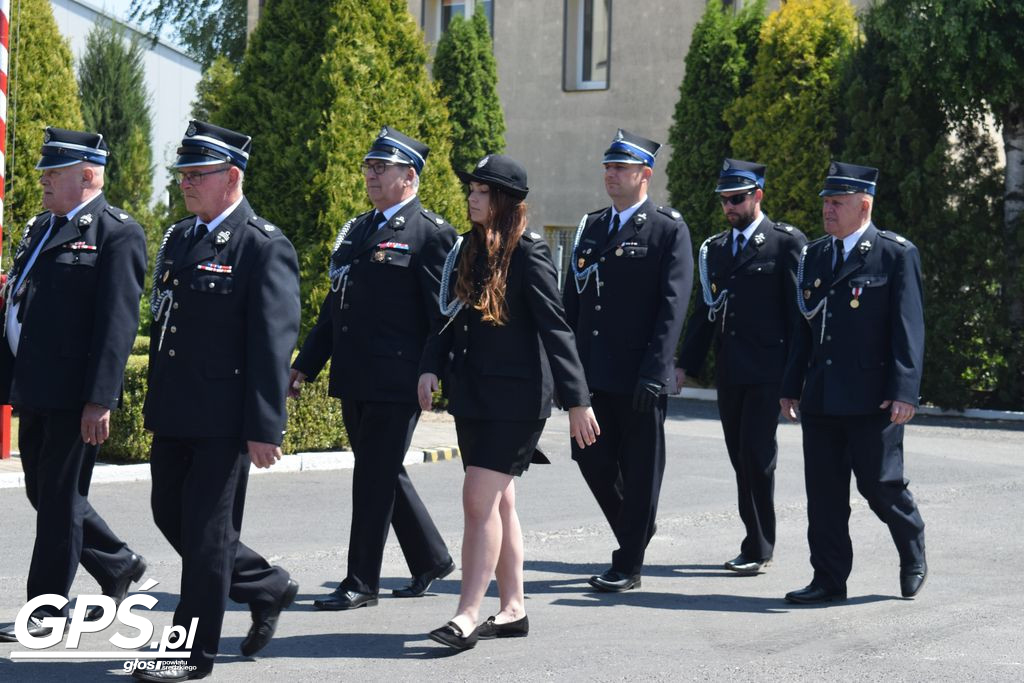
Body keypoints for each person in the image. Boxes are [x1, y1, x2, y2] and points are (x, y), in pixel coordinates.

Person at [138, 120, 301, 681]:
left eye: (197, 174)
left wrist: (265, 427)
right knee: (169, 515)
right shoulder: (182, 236)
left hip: (225, 419)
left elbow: (271, 343)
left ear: (231, 177)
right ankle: (266, 585)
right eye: (182, 173)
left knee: (207, 537)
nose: (186, 182)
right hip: (177, 410)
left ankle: (189, 653)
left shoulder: (262, 244)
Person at [418, 154, 599, 650]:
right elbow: (448, 315)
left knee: (477, 500)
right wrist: (431, 364)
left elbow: (555, 328)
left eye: (482, 190)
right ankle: (514, 608)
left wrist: (578, 400)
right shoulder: (468, 248)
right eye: (471, 189)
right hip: (474, 393)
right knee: (500, 501)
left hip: (517, 401)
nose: (472, 197)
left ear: (505, 200)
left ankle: (466, 614)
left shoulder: (530, 252)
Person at [290, 127, 455, 611]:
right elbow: (335, 305)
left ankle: (362, 581)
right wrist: (307, 363)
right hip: (356, 375)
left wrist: (431, 371)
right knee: (382, 472)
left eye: (380, 168)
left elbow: (440, 316)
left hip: (397, 380)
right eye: (368, 167)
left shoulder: (432, 233)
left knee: (372, 479)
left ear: (410, 175)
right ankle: (430, 559)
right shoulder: (358, 229)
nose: (371, 175)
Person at [0, 128, 148, 641]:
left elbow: (117, 324)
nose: (43, 179)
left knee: (60, 499)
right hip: (34, 383)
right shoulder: (42, 225)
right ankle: (118, 563)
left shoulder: (116, 232)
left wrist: (99, 398)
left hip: (73, 391)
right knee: (44, 490)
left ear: (87, 175)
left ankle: (46, 609)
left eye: (54, 172)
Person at [780, 161, 927, 604]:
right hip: (822, 395)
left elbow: (909, 328)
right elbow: (803, 329)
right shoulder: (815, 256)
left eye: (837, 203)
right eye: (826, 202)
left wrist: (904, 390)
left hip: (873, 398)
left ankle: (912, 546)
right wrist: (791, 385)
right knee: (823, 495)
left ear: (864, 205)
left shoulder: (895, 254)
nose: (828, 210)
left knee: (879, 484)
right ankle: (828, 579)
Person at [563, 129, 693, 592]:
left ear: (644, 175)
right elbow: (573, 306)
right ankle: (636, 532)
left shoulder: (667, 228)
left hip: (640, 376)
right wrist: (569, 374)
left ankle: (628, 562)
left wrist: (656, 372)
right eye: (607, 167)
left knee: (640, 470)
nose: (610, 175)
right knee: (589, 456)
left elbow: (672, 307)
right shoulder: (591, 227)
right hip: (595, 374)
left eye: (619, 168)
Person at [676, 159, 806, 574]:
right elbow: (705, 312)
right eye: (724, 200)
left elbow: (799, 315)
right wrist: (685, 365)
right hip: (731, 372)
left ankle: (759, 546)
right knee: (739, 456)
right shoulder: (715, 249)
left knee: (756, 453)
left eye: (737, 199)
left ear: (758, 196)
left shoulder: (785, 243)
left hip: (770, 371)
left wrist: (795, 380)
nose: (729, 207)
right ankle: (754, 538)